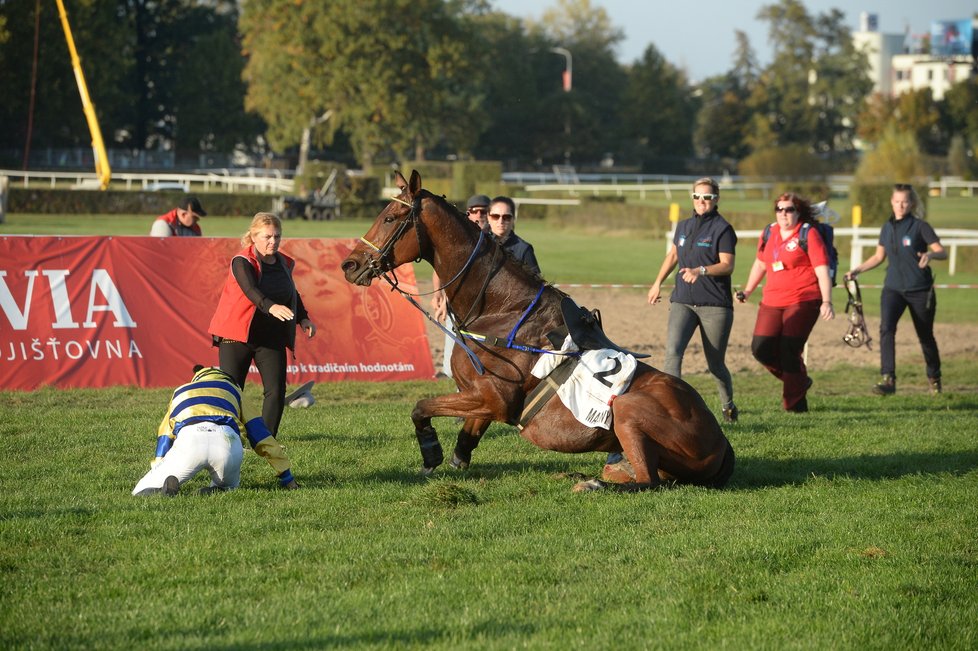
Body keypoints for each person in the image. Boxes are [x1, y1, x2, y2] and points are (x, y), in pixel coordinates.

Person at [208, 212, 317, 436]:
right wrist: (271, 307)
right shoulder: (242, 261)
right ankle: (226, 438)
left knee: (276, 391)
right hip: (237, 335)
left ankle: (267, 442)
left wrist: (303, 317)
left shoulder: (284, 262)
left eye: (277, 236)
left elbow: (290, 291)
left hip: (270, 337)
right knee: (232, 391)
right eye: (267, 236)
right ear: (253, 237)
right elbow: (250, 290)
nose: (273, 241)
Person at [646, 177, 739, 423]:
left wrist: (701, 271)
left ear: (716, 200)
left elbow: (727, 265)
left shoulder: (723, 229)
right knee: (673, 354)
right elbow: (673, 254)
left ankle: (728, 407)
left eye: (707, 197)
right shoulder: (684, 226)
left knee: (715, 365)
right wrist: (657, 283)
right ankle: (671, 409)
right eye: (697, 196)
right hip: (683, 301)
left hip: (715, 306)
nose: (701, 201)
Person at [132, 365, 298, 496]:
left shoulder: (180, 391)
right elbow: (260, 435)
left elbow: (165, 437)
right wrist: (286, 476)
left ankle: (161, 490)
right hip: (227, 442)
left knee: (141, 491)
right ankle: (214, 491)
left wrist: (159, 466)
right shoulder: (234, 390)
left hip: (190, 440)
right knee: (228, 487)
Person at [844, 183, 946, 395]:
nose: (900, 205)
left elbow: (941, 251)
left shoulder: (920, 227)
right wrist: (857, 270)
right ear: (892, 202)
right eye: (897, 201)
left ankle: (934, 377)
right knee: (886, 329)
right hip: (893, 289)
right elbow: (879, 257)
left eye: (905, 201)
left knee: (925, 335)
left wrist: (930, 255)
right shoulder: (887, 228)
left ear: (912, 203)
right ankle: (888, 378)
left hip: (920, 290)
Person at [737, 192, 834, 413]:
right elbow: (760, 264)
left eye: (789, 209)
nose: (783, 214)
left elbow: (822, 270)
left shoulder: (808, 234)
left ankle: (795, 405)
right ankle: (798, 380)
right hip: (772, 299)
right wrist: (748, 290)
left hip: (804, 298)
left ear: (798, 213)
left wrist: (827, 301)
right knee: (760, 348)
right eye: (779, 209)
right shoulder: (769, 232)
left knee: (789, 349)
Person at [431, 194, 490, 378]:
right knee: (450, 369)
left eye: (484, 211)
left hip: (485, 312)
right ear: (468, 214)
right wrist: (439, 295)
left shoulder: (495, 244)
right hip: (457, 308)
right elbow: (440, 268)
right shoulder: (458, 240)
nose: (479, 215)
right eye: (475, 211)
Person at [488, 196, 540, 275]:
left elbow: (536, 284)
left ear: (513, 219)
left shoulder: (524, 249)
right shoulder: (479, 244)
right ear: (488, 217)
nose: (501, 221)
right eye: (495, 216)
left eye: (506, 217)